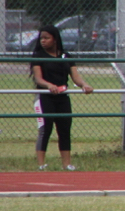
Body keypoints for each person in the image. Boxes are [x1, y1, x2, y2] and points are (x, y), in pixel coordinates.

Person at [30, 26, 93, 171]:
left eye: (47, 38)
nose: (43, 41)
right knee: (45, 129)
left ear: (55, 39)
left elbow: (76, 78)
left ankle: (66, 164)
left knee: (64, 129)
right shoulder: (38, 55)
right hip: (45, 96)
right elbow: (38, 78)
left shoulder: (65, 55)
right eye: (41, 38)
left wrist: (84, 85)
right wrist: (49, 85)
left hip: (63, 97)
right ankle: (41, 164)